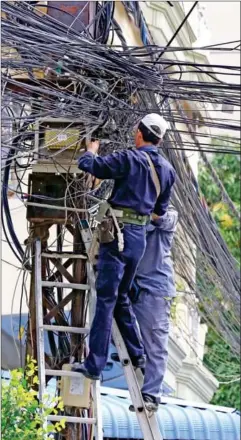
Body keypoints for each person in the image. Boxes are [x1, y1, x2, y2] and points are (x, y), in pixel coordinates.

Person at [74, 113, 176, 381]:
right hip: (138, 240)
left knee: (106, 299)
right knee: (120, 296)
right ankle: (137, 352)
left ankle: (94, 365)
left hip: (116, 236)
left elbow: (91, 166)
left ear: (139, 133)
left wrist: (90, 151)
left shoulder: (128, 159)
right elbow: (158, 213)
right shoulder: (167, 170)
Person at [129, 207, 178, 412]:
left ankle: (151, 394)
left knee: (156, 344)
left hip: (155, 290)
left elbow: (161, 218)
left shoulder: (170, 213)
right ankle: (137, 353)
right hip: (132, 284)